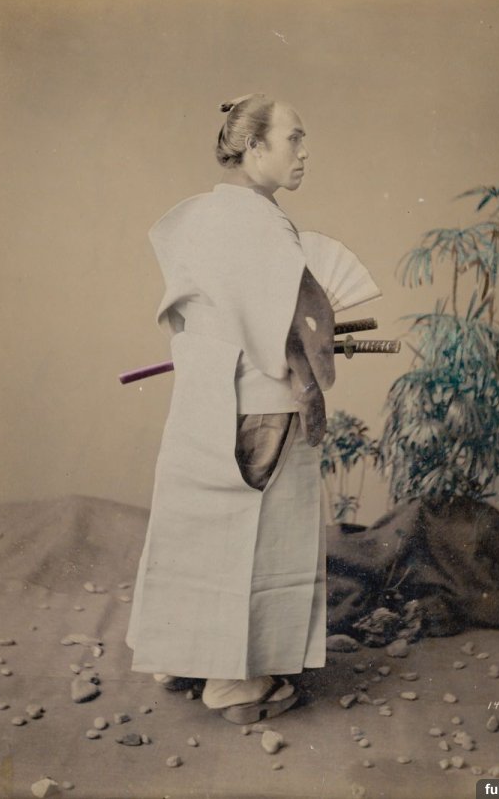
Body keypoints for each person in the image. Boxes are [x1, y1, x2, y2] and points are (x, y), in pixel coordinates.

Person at [126, 94, 381, 723]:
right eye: (294, 138)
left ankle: (181, 653)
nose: (304, 153)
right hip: (259, 398)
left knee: (200, 526)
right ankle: (233, 680)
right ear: (254, 146)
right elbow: (293, 331)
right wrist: (315, 359)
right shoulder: (258, 223)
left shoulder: (205, 215)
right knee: (256, 536)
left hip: (207, 394)